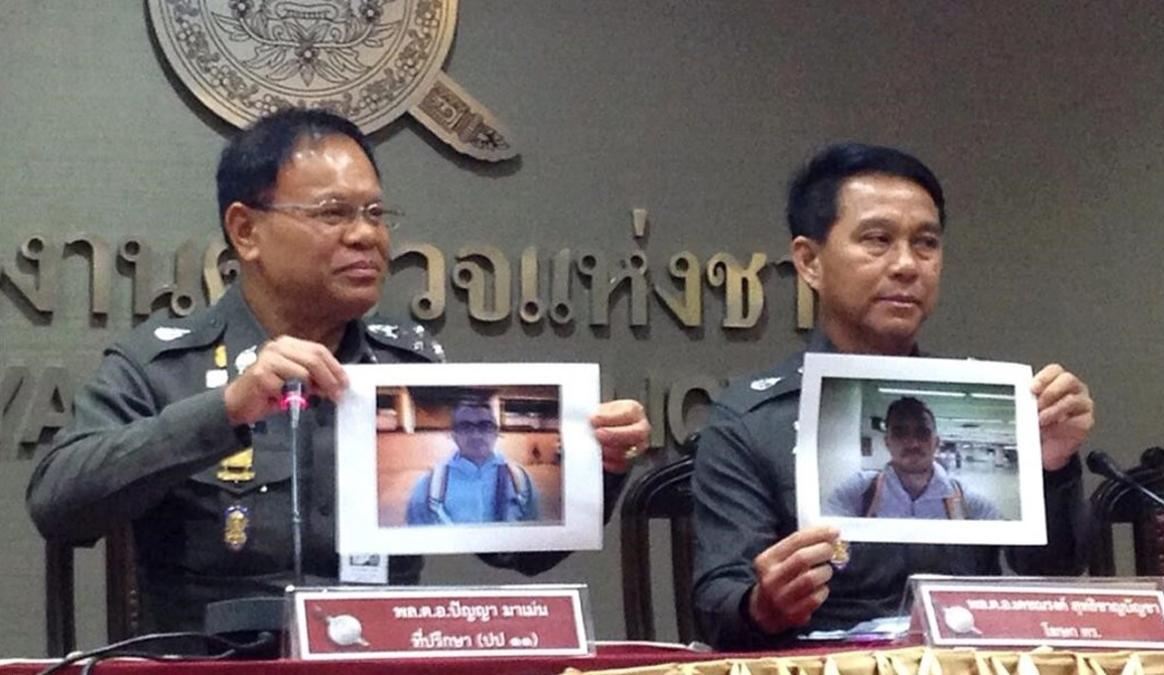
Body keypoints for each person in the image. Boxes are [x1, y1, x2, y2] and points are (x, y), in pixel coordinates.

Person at [25, 109, 650, 633]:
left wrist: (601, 465)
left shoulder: (406, 366)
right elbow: (59, 504)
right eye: (333, 214)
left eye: (375, 214)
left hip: (385, 662)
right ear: (246, 231)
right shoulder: (165, 365)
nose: (366, 237)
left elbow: (516, 550)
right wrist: (225, 411)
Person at [691, 142, 1094, 649]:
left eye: (926, 244)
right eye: (877, 240)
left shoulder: (994, 406)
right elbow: (717, 601)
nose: (907, 265)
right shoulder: (751, 420)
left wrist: (1052, 470)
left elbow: (1055, 575)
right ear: (809, 261)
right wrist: (763, 606)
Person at [825, 397, 1000, 520]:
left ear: (936, 442)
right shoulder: (859, 491)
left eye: (922, 433)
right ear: (888, 442)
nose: (913, 443)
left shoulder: (966, 499)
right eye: (900, 433)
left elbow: (1013, 551)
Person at [406, 398, 540, 525]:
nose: (476, 435)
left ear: (496, 432)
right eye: (465, 427)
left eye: (485, 426)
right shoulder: (428, 485)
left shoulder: (521, 480)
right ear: (453, 435)